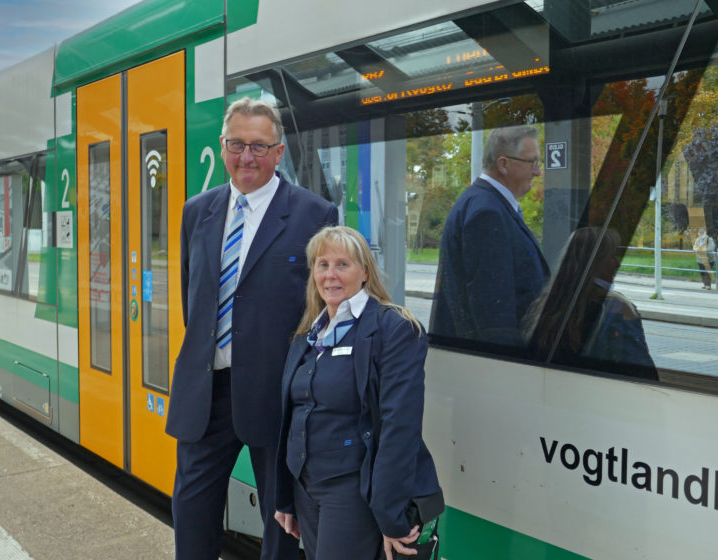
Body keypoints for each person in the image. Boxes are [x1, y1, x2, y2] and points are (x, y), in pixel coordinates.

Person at [165, 97, 338, 560]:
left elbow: (322, 315)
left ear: (279, 152)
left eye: (259, 147)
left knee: (281, 526)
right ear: (222, 147)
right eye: (237, 144)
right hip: (205, 395)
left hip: (277, 398)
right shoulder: (195, 212)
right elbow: (193, 301)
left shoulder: (314, 214)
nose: (247, 157)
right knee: (192, 516)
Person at [273, 226, 440, 560]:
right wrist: (285, 497)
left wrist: (390, 516)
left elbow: (399, 427)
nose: (330, 275)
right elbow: (292, 416)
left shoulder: (393, 329)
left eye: (342, 265)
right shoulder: (309, 333)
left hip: (352, 490)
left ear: (365, 272)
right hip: (306, 488)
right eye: (322, 265)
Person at [431, 124, 549, 346]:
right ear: (503, 164)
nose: (537, 172)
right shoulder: (487, 213)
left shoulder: (486, 204)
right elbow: (494, 315)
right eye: (532, 162)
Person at [522, 227, 658, 379]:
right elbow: (644, 375)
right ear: (593, 263)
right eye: (611, 256)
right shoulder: (615, 308)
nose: (617, 264)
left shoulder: (547, 305)